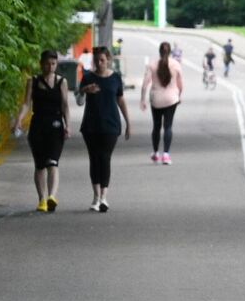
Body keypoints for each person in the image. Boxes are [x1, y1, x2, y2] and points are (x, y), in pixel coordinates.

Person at [13, 49, 71, 212]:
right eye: (47, 63)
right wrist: (19, 120)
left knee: (53, 162)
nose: (50, 67)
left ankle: (52, 196)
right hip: (38, 126)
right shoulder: (33, 81)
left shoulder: (62, 82)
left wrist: (68, 125)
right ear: (41, 64)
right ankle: (41, 200)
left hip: (55, 126)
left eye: (53, 64)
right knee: (40, 165)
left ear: (56, 64)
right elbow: (26, 104)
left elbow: (65, 105)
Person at [77, 45, 130, 211]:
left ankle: (104, 197)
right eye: (97, 60)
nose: (100, 63)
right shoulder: (87, 77)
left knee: (105, 158)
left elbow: (121, 100)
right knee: (94, 158)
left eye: (102, 60)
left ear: (108, 60)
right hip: (91, 125)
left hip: (111, 125)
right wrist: (85, 91)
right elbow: (79, 101)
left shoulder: (115, 78)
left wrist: (128, 122)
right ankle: (96, 196)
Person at [142, 40, 183, 164]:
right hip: (171, 99)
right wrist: (179, 95)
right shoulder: (176, 64)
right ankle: (166, 155)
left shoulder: (152, 65)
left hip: (156, 99)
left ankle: (155, 153)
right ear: (170, 52)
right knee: (168, 126)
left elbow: (145, 84)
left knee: (156, 126)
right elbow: (181, 85)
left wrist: (142, 99)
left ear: (159, 51)